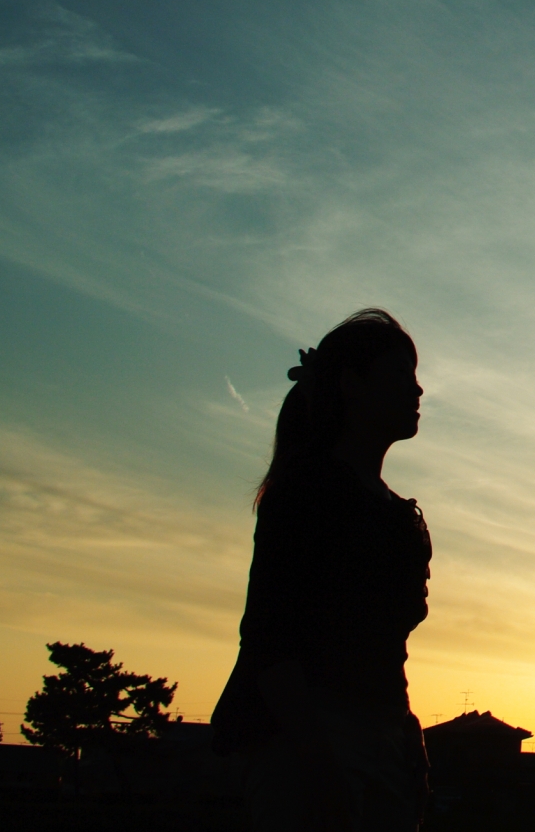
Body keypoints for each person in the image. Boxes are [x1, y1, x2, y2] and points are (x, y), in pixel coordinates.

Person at [213, 309, 433, 831]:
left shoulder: (397, 516)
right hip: (306, 738)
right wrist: (318, 760)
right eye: (400, 375)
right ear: (352, 385)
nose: (417, 390)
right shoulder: (306, 495)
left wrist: (407, 734)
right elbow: (270, 641)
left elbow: (386, 649)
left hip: (382, 738)